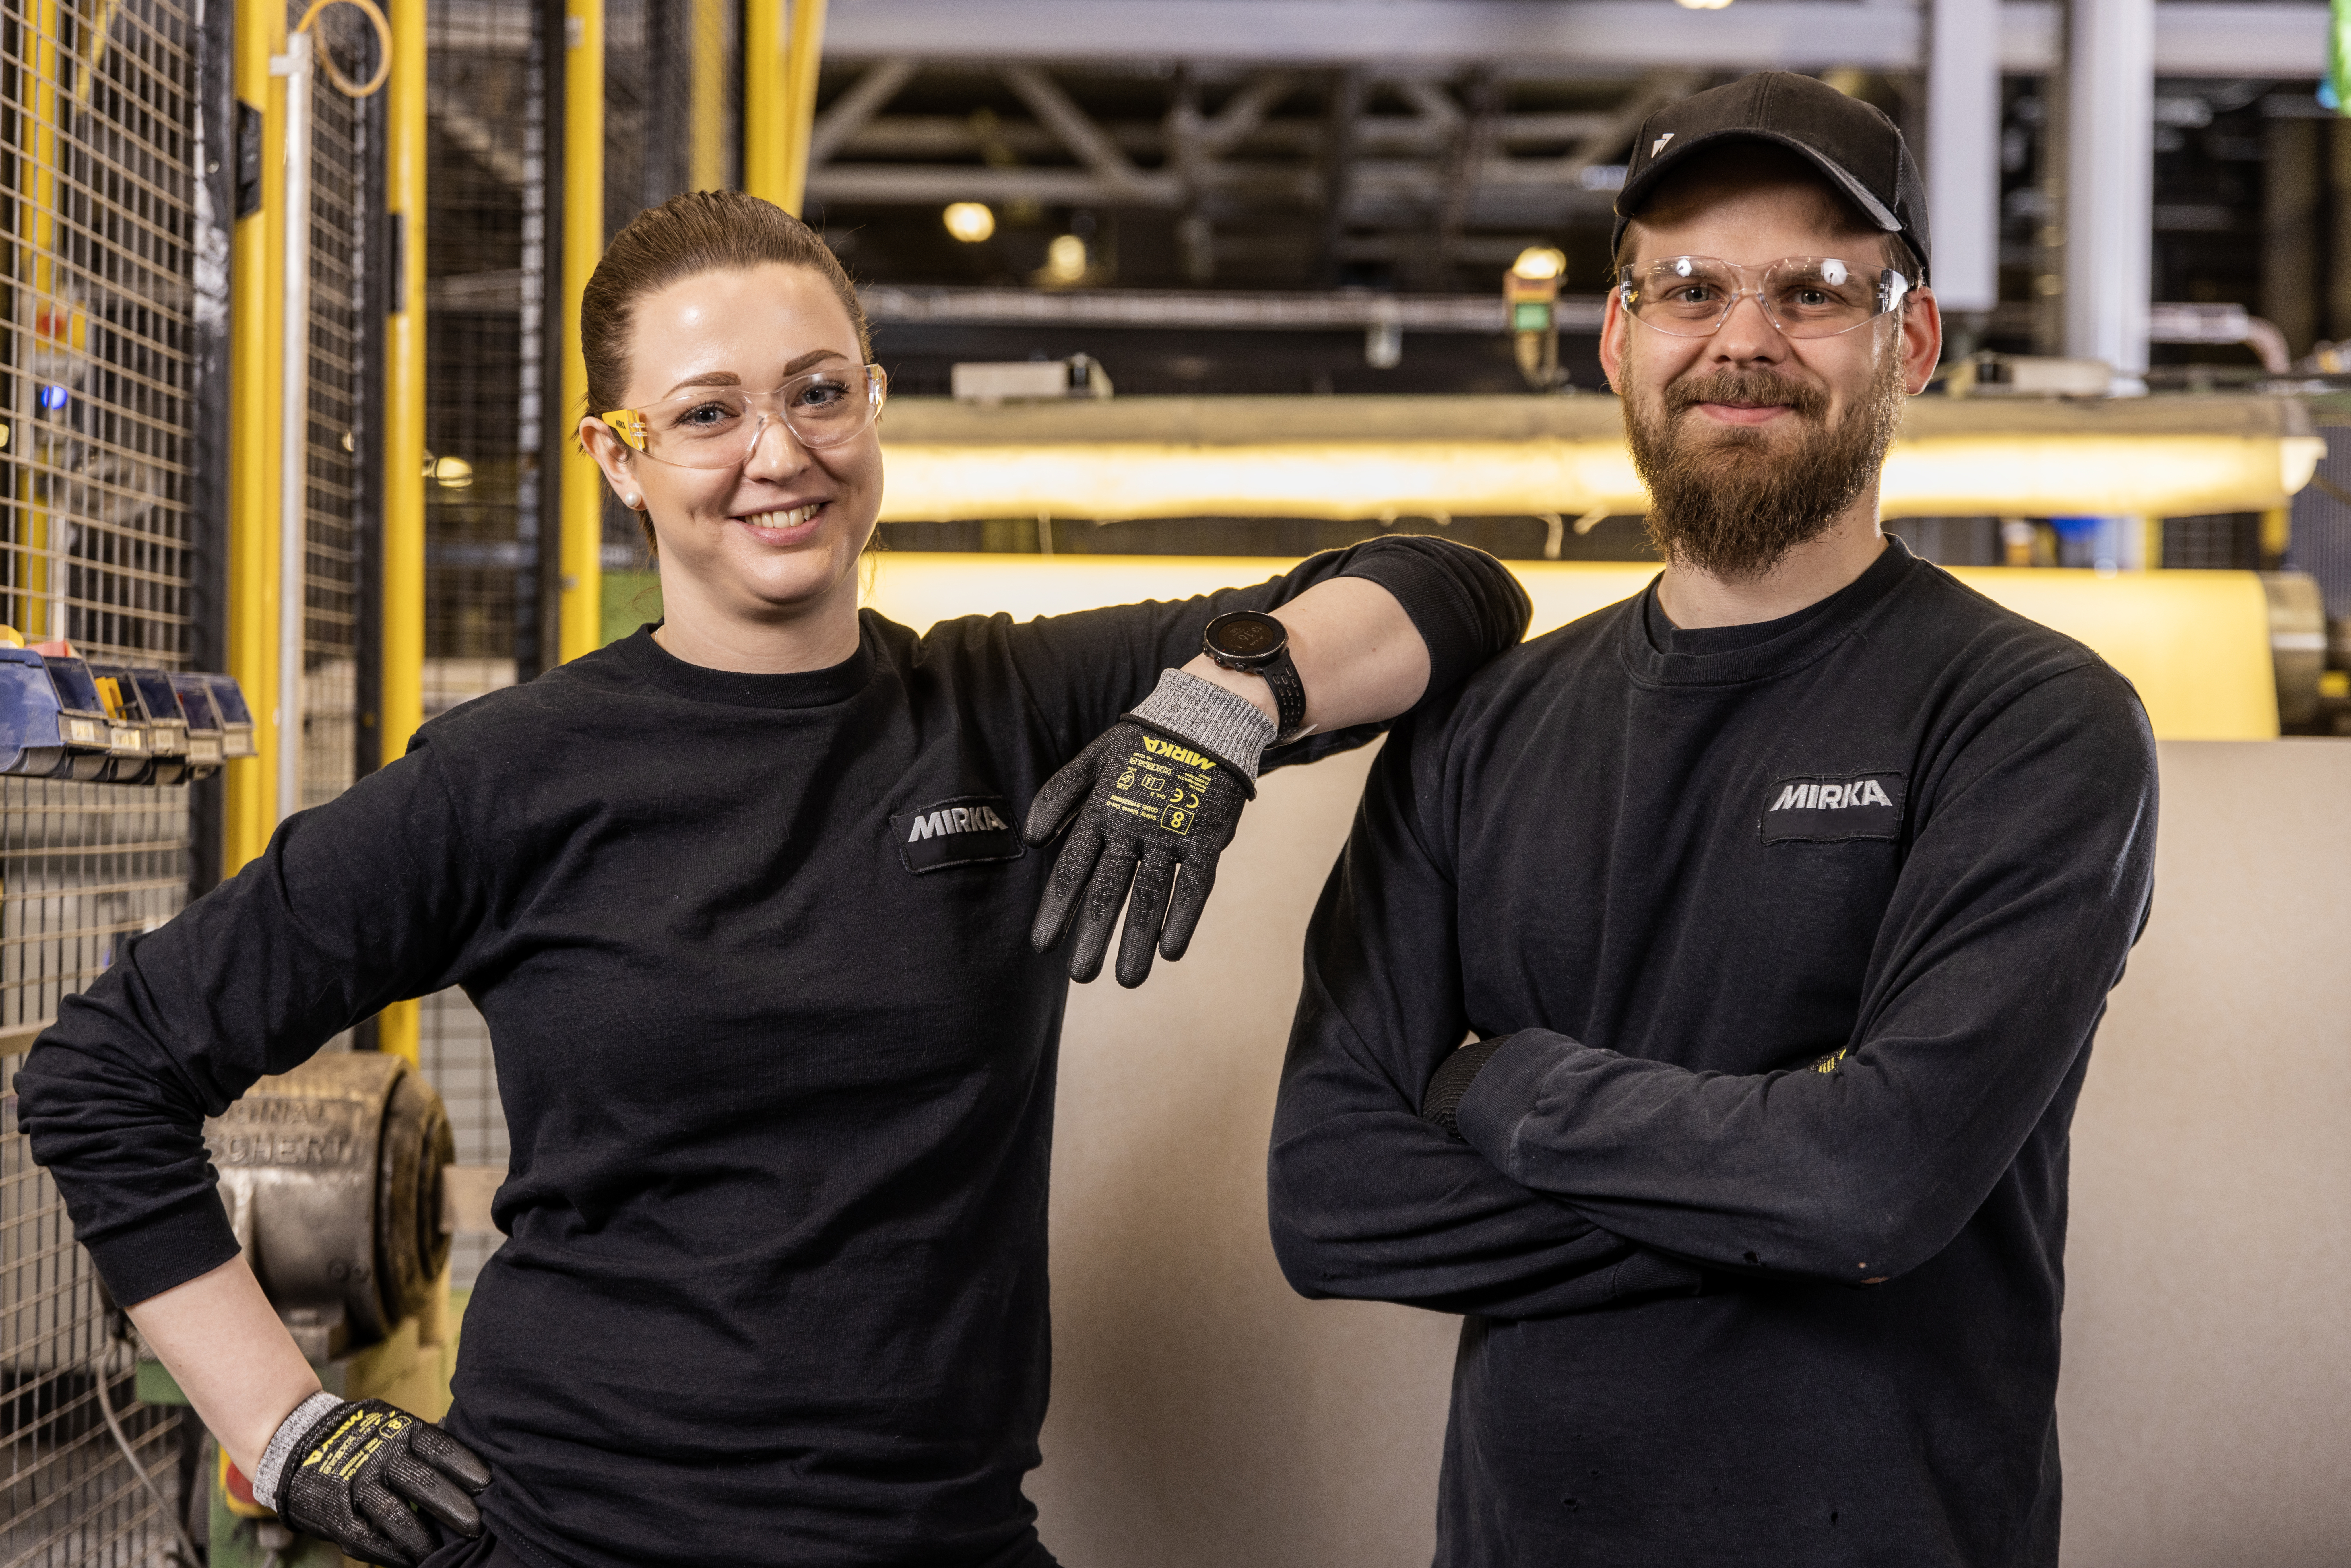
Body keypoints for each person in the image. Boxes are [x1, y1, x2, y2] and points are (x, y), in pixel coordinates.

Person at [16, 190, 1531, 1568]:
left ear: (871, 406)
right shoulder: (506, 777)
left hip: (941, 1534)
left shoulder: (1002, 707)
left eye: (821, 393)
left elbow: (1451, 586)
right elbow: (101, 1070)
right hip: (571, 1537)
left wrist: (1228, 704)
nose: (779, 452)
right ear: (621, 456)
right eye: (707, 412)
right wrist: (285, 1429)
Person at [1266, 73, 2157, 1566]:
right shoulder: (1481, 727)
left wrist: (1508, 1088)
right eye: (1689, 287)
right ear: (1619, 335)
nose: (1743, 338)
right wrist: (1785, 1169)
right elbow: (1335, 1199)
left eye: (1811, 290)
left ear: (1911, 339)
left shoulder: (2032, 719)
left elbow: (1876, 1183)